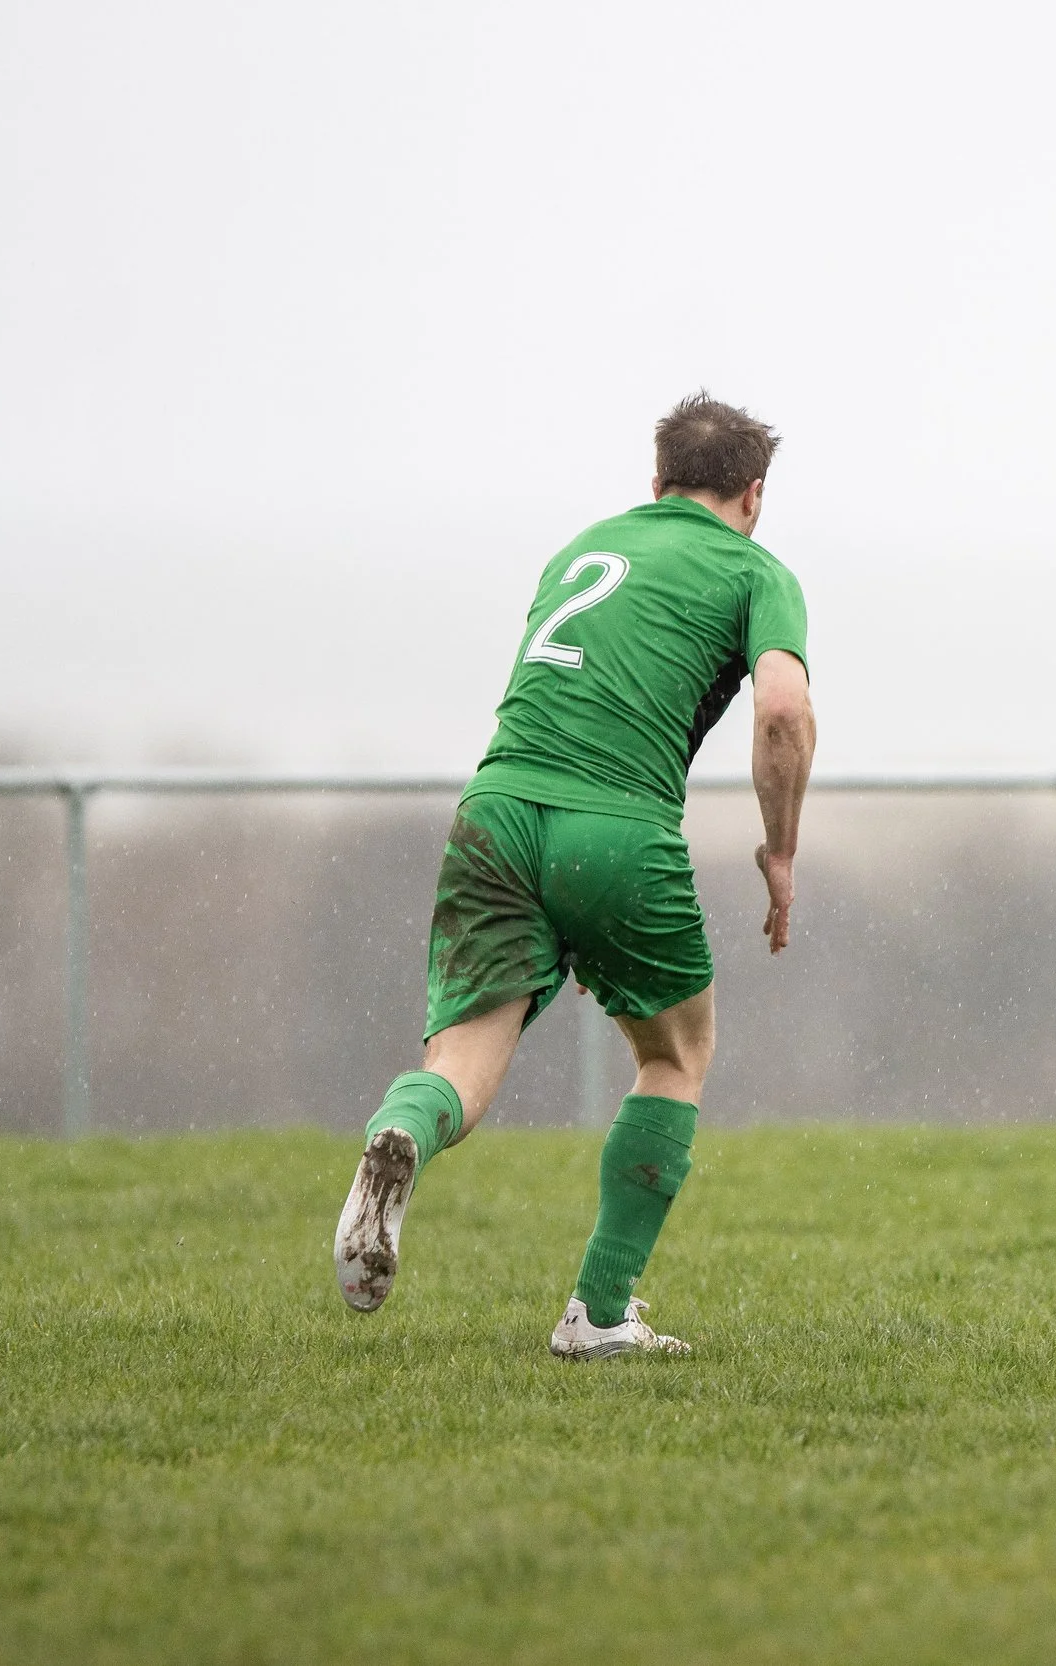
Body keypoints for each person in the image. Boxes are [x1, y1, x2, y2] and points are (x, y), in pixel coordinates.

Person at [331, 392, 814, 1360]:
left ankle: (401, 1136)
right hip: (615, 828)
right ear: (754, 494)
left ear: (655, 482)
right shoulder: (755, 567)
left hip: (497, 809)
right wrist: (780, 845)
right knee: (674, 1055)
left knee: (463, 1059)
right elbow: (780, 712)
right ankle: (597, 1314)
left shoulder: (584, 547)